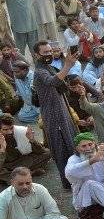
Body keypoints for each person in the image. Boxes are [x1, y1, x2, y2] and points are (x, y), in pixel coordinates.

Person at [32, 41, 78, 187]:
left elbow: (62, 86)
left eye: (50, 51)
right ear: (36, 55)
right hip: (53, 115)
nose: (49, 54)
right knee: (60, 149)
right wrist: (67, 66)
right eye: (45, 52)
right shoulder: (39, 72)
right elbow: (52, 81)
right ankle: (68, 182)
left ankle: (76, 178)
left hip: (63, 112)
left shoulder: (49, 67)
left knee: (71, 144)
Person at [64, 133, 104, 211]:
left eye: (90, 144)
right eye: (84, 146)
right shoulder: (74, 159)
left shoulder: (100, 151)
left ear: (94, 144)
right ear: (77, 149)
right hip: (86, 195)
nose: (88, 148)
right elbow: (69, 173)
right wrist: (92, 160)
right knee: (90, 183)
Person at [0, 114, 51, 182]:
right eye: (5, 129)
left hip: (21, 161)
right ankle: (30, 173)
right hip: (5, 166)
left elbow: (42, 151)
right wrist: (2, 150)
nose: (10, 132)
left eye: (11, 128)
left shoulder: (19, 132)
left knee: (47, 153)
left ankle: (17, 176)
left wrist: (32, 140)